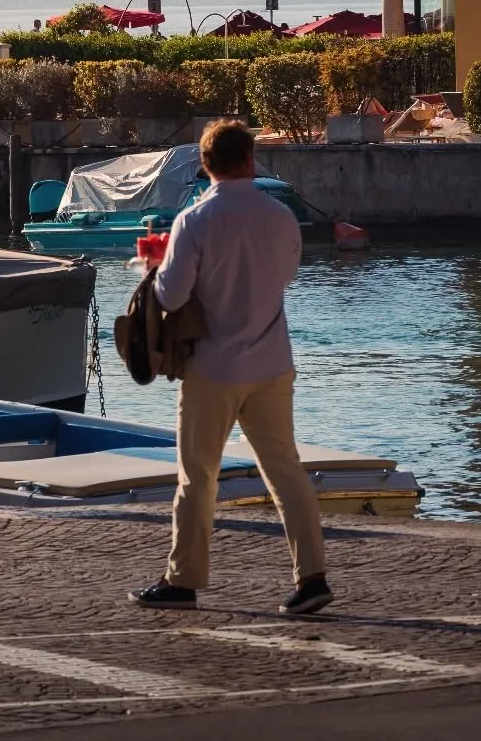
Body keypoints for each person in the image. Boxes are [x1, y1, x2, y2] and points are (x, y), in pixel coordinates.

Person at [129, 118, 331, 617]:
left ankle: (184, 580)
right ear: (250, 159)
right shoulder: (280, 216)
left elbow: (172, 295)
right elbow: (285, 277)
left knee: (198, 475)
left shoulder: (194, 220)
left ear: (205, 165)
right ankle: (312, 576)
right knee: (285, 470)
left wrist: (153, 270)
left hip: (214, 367)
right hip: (272, 361)